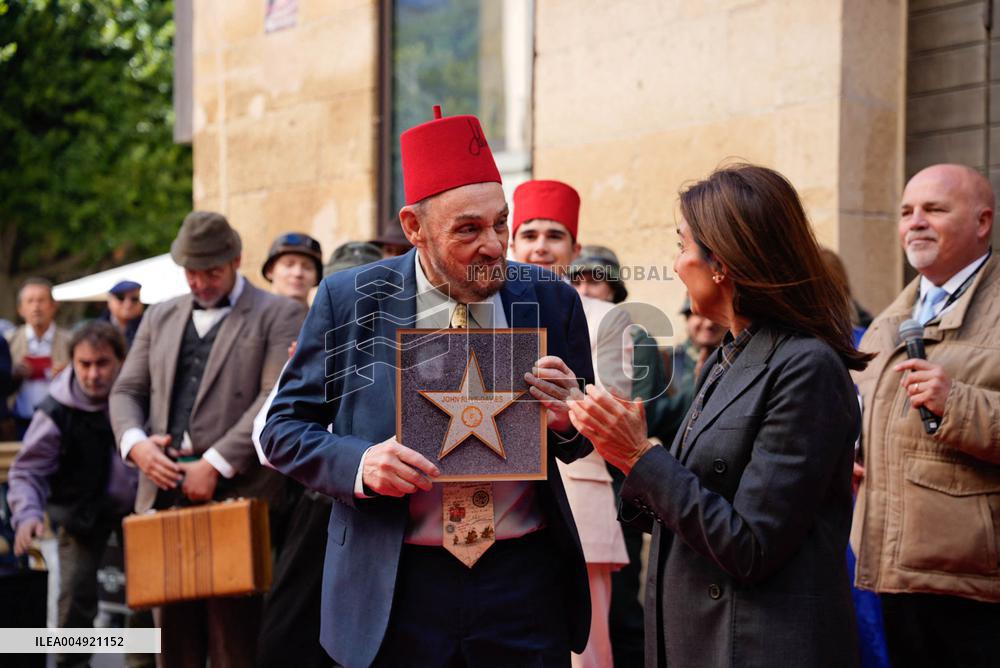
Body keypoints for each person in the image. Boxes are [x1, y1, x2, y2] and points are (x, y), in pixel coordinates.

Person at [260, 106, 594, 668]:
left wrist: (567, 419)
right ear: (413, 228)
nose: (494, 245)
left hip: (523, 583)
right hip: (395, 585)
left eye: (500, 223)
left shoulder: (549, 298)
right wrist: (360, 462)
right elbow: (283, 430)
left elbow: (578, 434)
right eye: (468, 229)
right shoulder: (352, 301)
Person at [567, 163, 870, 667]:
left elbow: (750, 545)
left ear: (721, 263)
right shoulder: (730, 354)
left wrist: (640, 456)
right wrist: (622, 452)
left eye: (682, 245)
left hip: (757, 646)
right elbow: (696, 496)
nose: (676, 262)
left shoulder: (806, 367)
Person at [109, 211, 306, 668]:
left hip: (238, 497)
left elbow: (275, 395)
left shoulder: (280, 313)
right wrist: (137, 444)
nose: (199, 282)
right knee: (171, 648)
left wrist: (215, 463)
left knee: (235, 643)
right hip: (162, 496)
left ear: (237, 259)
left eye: (211, 271)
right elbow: (125, 390)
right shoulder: (159, 315)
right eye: (191, 272)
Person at [851, 163, 999, 668]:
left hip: (977, 582)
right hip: (896, 571)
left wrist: (956, 401)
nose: (915, 222)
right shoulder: (889, 321)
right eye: (906, 211)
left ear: (983, 222)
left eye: (934, 209)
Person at [510, 180, 630, 668]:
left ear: (575, 249)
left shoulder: (607, 317)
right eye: (530, 233)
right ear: (511, 242)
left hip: (578, 491)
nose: (541, 245)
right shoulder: (484, 307)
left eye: (554, 235)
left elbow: (620, 410)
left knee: (587, 654)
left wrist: (565, 401)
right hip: (494, 504)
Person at [255, 241, 375, 668]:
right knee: (288, 635)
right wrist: (348, 460)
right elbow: (268, 438)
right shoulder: (316, 345)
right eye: (347, 284)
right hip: (316, 509)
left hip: (378, 519)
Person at [8, 321, 136, 668]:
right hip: (78, 515)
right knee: (76, 598)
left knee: (148, 596)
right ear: (72, 363)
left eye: (102, 363)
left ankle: (144, 661)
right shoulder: (56, 410)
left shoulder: (138, 398)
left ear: (120, 361)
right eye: (84, 364)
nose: (93, 374)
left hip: (136, 513)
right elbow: (28, 470)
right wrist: (27, 514)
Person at [6, 278, 71, 437]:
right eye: (30, 301)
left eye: (41, 300)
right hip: (19, 421)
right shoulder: (9, 341)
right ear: (20, 309)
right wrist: (12, 374)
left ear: (53, 306)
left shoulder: (71, 341)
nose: (36, 306)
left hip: (61, 421)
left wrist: (68, 373)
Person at [262, 232, 323, 305]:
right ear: (270, 270)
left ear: (317, 277)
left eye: (307, 267)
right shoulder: (251, 314)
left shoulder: (324, 316)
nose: (298, 273)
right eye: (289, 265)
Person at [100, 280, 144, 349]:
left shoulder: (148, 327)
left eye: (134, 299)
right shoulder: (96, 329)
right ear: (110, 300)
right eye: (121, 298)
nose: (128, 304)